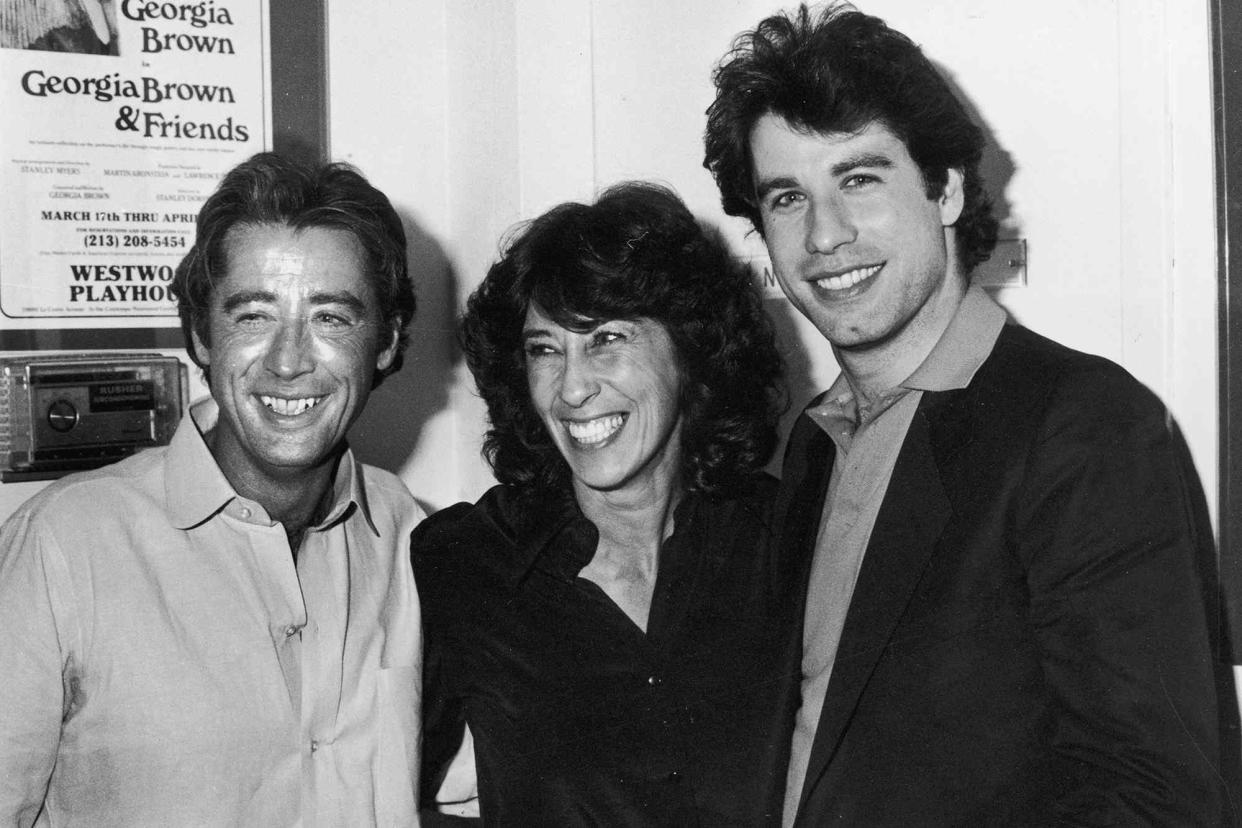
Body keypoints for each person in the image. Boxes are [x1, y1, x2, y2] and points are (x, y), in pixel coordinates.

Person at [704, 4, 1233, 826]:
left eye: (859, 179)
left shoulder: (1086, 427)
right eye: (786, 198)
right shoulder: (811, 443)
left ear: (946, 188)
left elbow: (1159, 801)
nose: (825, 235)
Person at [0, 153, 424, 825]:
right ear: (201, 334)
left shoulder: (415, 541)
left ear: (385, 341)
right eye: (253, 316)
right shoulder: (62, 548)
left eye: (331, 319)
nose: (289, 362)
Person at [413, 182, 801, 825]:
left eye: (607, 339)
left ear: (688, 349)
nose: (572, 387)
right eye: (544, 350)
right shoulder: (463, 563)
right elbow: (377, 789)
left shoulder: (785, 542)